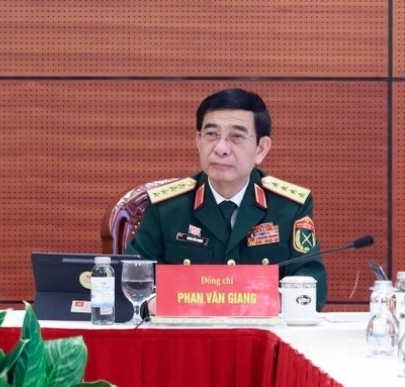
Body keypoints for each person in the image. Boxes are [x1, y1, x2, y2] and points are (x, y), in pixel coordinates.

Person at [127, 87, 327, 309]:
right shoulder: (166, 208)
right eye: (211, 134)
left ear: (261, 149)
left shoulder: (289, 208)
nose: (221, 148)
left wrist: (256, 304)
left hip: (262, 335)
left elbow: (312, 287)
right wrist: (163, 305)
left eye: (236, 137)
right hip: (187, 334)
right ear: (198, 141)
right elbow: (130, 280)